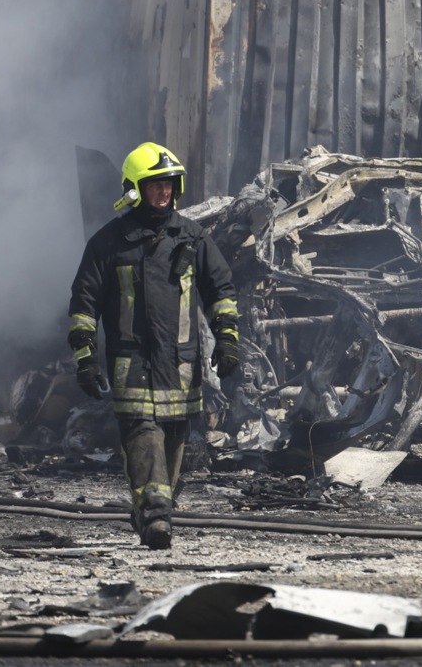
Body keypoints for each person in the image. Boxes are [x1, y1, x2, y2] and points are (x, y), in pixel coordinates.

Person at [67, 142, 239, 550]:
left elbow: (221, 290)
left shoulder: (192, 238)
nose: (164, 192)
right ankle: (157, 518)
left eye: (169, 184)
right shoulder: (109, 244)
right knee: (144, 436)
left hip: (181, 367)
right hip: (132, 366)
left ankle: (150, 509)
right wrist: (85, 356)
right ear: (134, 190)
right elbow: (84, 303)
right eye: (155, 185)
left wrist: (228, 338)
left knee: (173, 445)